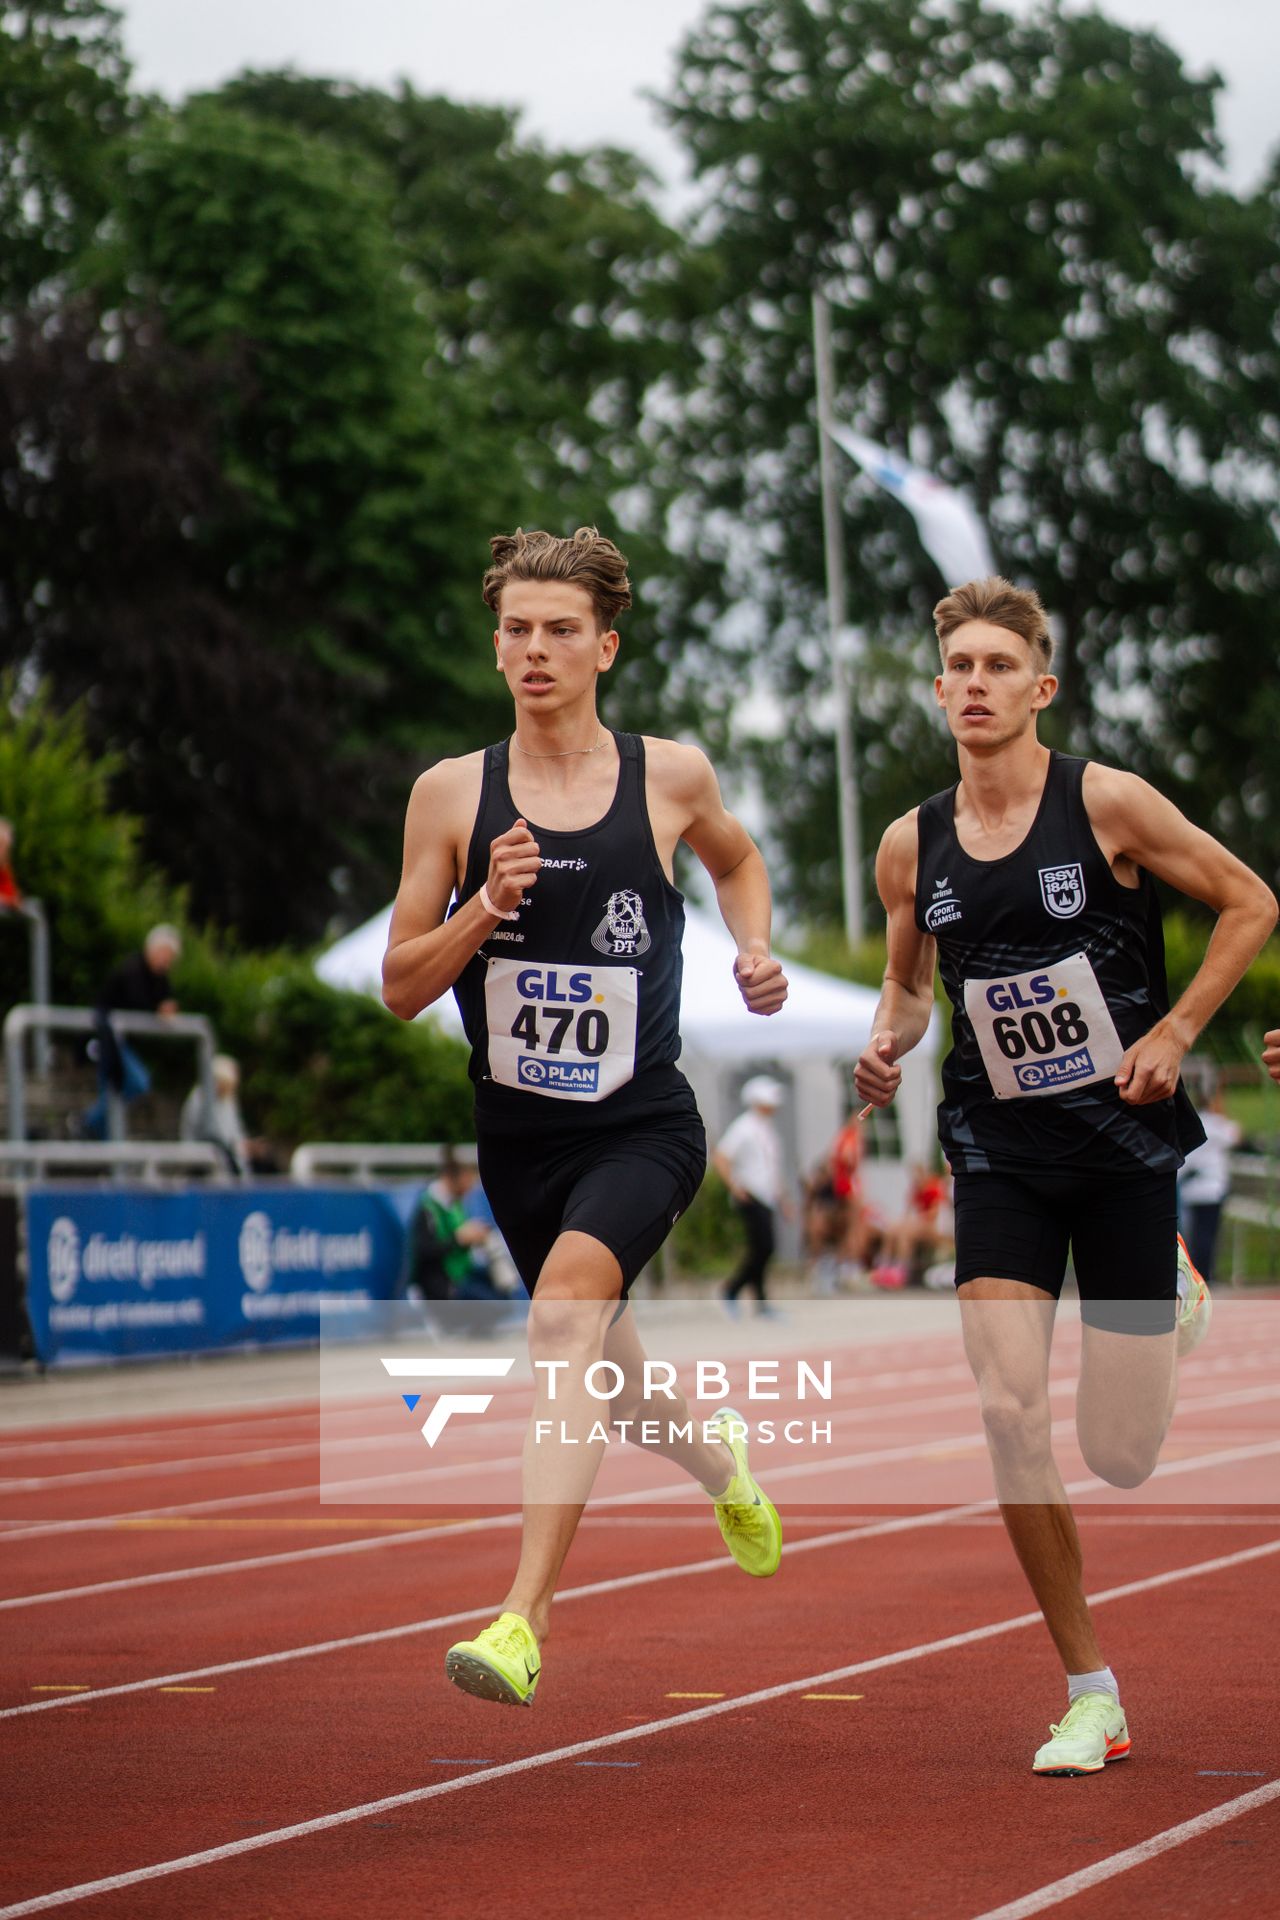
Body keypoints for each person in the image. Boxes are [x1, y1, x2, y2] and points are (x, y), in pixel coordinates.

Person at [854, 574, 1276, 1777]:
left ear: (1041, 688)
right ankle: (1089, 1689)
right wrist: (885, 1045)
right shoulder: (910, 843)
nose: (976, 686)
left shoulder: (1106, 804)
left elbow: (1250, 903)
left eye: (1000, 667)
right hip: (996, 1151)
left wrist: (1178, 1029)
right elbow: (909, 982)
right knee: (1005, 1412)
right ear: (938, 690)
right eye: (960, 669)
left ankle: (1170, 1290)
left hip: (1125, 1144)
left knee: (1122, 1455)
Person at [382, 526, 788, 1708]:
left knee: (561, 1326)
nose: (535, 649)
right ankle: (720, 1462)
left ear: (604, 646)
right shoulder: (451, 795)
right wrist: (480, 907)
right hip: (517, 1143)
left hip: (640, 1126)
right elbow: (405, 984)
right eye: (516, 629)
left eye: (561, 630)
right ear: (495, 646)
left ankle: (520, 1618)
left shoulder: (668, 775)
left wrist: (752, 947)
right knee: (613, 1374)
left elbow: (739, 857)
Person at [80, 925, 182, 1140]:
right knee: (135, 1082)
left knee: (119, 1090)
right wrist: (159, 1010)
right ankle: (88, 1122)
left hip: (119, 1041)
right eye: (165, 954)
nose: (166, 961)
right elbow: (137, 1003)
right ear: (152, 949)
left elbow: (166, 1000)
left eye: (170, 957)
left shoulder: (160, 978)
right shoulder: (132, 969)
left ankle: (96, 1135)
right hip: (105, 1039)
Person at [713, 1075, 787, 1313]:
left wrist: (782, 1198)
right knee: (764, 1247)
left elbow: (771, 1167)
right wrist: (735, 1186)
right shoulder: (744, 1127)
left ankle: (760, 1301)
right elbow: (722, 1156)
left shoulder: (767, 1129)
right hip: (751, 1195)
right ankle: (732, 1289)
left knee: (761, 1248)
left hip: (766, 1196)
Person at [1177, 1083, 1241, 1285]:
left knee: (1192, 1235)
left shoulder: (1194, 1122)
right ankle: (1204, 1274)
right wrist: (1223, 1113)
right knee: (1207, 1235)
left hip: (1189, 1188)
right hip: (1210, 1189)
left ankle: (1195, 1274)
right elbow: (1236, 1135)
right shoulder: (1216, 1124)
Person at [179, 1053, 266, 1175]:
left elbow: (236, 1133)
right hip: (205, 1155)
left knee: (266, 1161)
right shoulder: (200, 1097)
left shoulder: (228, 1100)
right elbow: (209, 1135)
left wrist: (247, 1146)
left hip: (228, 1154)